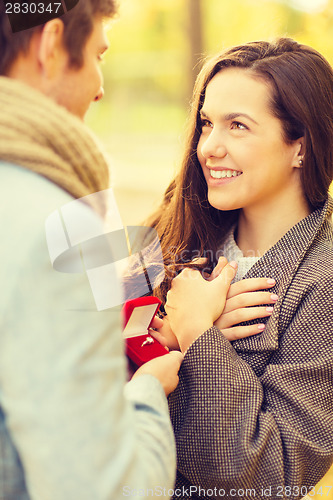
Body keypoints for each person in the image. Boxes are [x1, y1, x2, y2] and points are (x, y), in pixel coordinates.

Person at [0, 2, 190, 499]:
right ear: (52, 44)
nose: (101, 87)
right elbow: (108, 490)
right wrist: (146, 391)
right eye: (98, 55)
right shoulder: (57, 228)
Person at [148, 38, 333, 499]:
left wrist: (196, 333)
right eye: (207, 123)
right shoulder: (169, 231)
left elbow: (273, 477)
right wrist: (168, 336)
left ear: (301, 147)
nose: (209, 147)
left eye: (238, 126)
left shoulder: (323, 282)